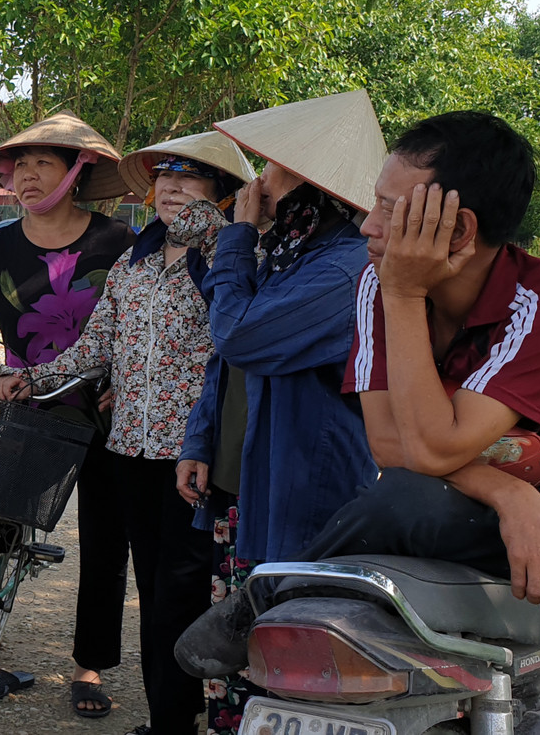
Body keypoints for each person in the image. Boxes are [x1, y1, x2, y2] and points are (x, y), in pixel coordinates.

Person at [178, 112, 540, 718]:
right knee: (397, 497)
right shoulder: (378, 283)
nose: (368, 226)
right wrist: (510, 496)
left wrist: (403, 292)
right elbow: (391, 447)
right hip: (472, 498)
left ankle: (264, 594)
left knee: (402, 502)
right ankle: (275, 596)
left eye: (390, 211)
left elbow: (425, 452)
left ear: (459, 230)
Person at [0, 130, 256, 735]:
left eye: (190, 178)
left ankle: (177, 718)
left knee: (187, 590)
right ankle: (170, 714)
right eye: (165, 176)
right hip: (130, 447)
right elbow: (99, 344)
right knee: (153, 586)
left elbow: (239, 340)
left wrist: (223, 233)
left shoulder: (233, 258)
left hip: (197, 455)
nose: (172, 188)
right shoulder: (134, 264)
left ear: (221, 194)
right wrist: (32, 378)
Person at [0, 110, 135, 719]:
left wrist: (132, 379)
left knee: (106, 540)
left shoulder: (118, 243)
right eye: (20, 165)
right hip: (28, 403)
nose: (27, 176)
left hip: (106, 409)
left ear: (77, 171)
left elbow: (144, 322)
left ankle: (89, 665)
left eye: (44, 163)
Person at [173, 91, 385, 727]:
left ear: (311, 186)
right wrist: (200, 440)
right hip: (247, 486)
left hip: (302, 500)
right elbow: (227, 361)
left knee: (291, 665)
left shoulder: (344, 269)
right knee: (244, 660)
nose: (257, 183)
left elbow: (239, 335)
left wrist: (237, 236)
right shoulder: (290, 256)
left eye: (272, 170)